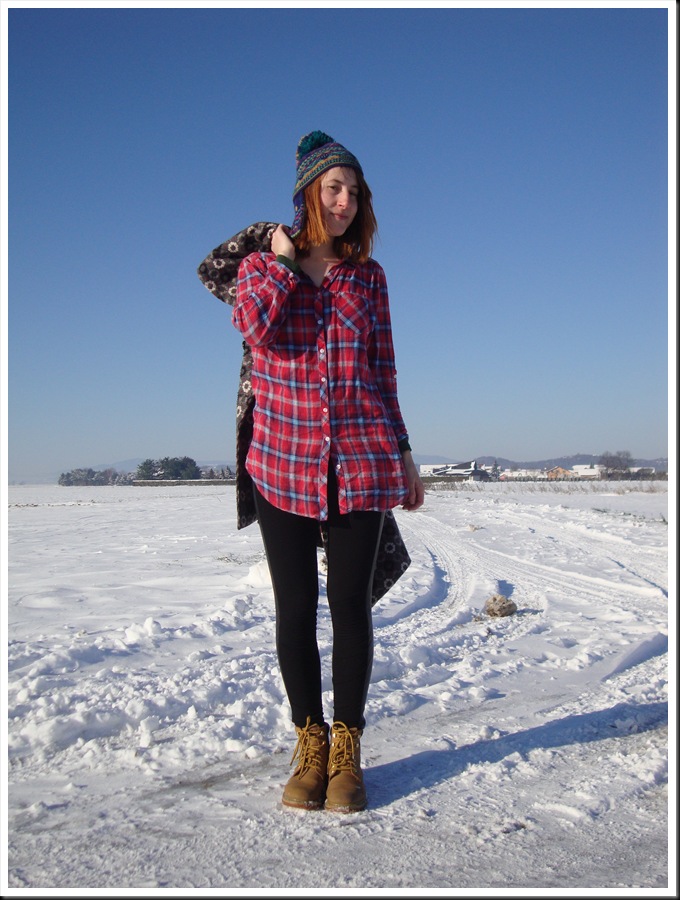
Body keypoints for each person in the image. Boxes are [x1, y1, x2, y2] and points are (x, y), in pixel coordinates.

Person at [231, 130, 424, 813]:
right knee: (295, 607)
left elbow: (383, 371)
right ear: (308, 193)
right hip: (280, 459)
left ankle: (347, 750)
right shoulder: (260, 266)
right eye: (334, 188)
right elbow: (254, 327)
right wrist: (286, 264)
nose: (345, 202)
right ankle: (308, 743)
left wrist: (404, 453)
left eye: (354, 192)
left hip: (361, 459)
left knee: (349, 607)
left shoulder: (369, 278)